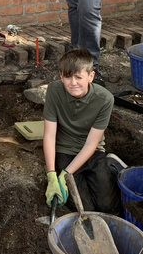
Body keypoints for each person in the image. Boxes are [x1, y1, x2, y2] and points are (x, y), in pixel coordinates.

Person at [43, 48, 127, 215]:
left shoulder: (104, 99)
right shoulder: (54, 91)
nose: (73, 83)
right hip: (65, 151)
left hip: (93, 152)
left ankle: (110, 164)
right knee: (85, 209)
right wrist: (52, 174)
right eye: (67, 77)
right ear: (61, 76)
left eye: (78, 77)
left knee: (108, 206)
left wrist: (66, 174)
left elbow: (91, 144)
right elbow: (49, 135)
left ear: (91, 76)